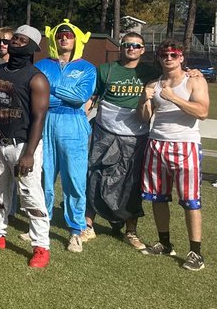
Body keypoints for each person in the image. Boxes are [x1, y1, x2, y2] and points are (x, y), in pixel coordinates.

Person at [0, 26, 52, 269]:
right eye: (14, 38)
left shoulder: (37, 78)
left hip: (23, 145)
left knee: (30, 195)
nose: (14, 42)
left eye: (21, 40)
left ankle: (41, 246)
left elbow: (39, 118)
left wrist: (29, 153)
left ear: (32, 47)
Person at [139, 40, 210, 271]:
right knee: (157, 197)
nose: (168, 58)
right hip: (156, 144)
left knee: (190, 200)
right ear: (159, 58)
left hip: (186, 145)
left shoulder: (194, 80)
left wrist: (174, 98)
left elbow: (203, 112)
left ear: (181, 57)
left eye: (173, 54)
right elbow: (145, 117)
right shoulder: (153, 84)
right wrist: (144, 98)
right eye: (164, 54)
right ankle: (164, 243)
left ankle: (196, 252)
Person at [86, 31, 154, 250]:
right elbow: (93, 97)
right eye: (127, 45)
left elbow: (175, 76)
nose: (131, 48)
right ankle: (88, 224)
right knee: (94, 174)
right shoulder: (105, 70)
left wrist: (192, 73)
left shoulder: (151, 72)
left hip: (137, 135)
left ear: (142, 50)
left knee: (132, 182)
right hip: (104, 132)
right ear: (121, 47)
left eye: (136, 45)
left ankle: (130, 231)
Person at [36, 19, 97, 253]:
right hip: (45, 122)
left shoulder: (87, 68)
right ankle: (41, 225)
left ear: (76, 39)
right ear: (53, 38)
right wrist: (61, 95)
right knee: (44, 175)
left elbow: (80, 97)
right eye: (60, 35)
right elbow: (35, 96)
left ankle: (76, 230)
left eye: (68, 35)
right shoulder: (42, 65)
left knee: (74, 178)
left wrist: (49, 88)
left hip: (73, 124)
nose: (64, 38)